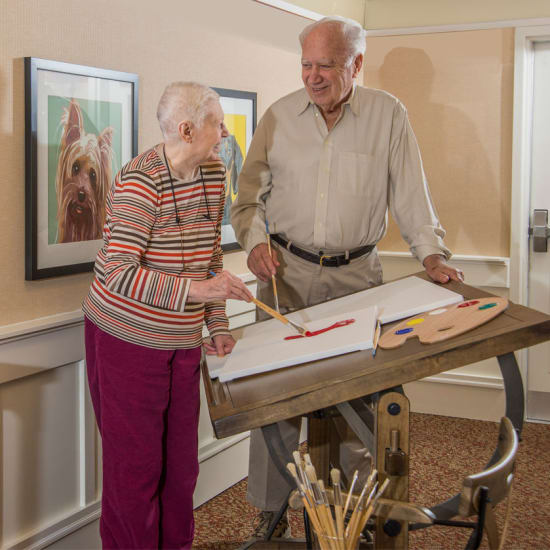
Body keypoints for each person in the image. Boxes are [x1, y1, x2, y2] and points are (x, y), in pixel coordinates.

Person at [230, 16, 464, 537]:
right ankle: (272, 517)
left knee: (359, 402)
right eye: (306, 64)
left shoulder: (388, 115)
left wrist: (431, 256)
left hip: (357, 277)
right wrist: (255, 243)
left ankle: (353, 518)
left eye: (326, 66)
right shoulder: (277, 117)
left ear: (356, 64)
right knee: (275, 399)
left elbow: (411, 195)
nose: (312, 77)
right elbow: (247, 201)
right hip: (283, 276)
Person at [82, 81, 253, 549]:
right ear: (187, 128)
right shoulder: (140, 180)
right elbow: (117, 272)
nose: (223, 132)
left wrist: (216, 324)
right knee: (135, 473)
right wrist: (198, 290)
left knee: (181, 469)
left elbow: (211, 256)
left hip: (180, 342)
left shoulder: (215, 173)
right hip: (125, 340)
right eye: (218, 123)